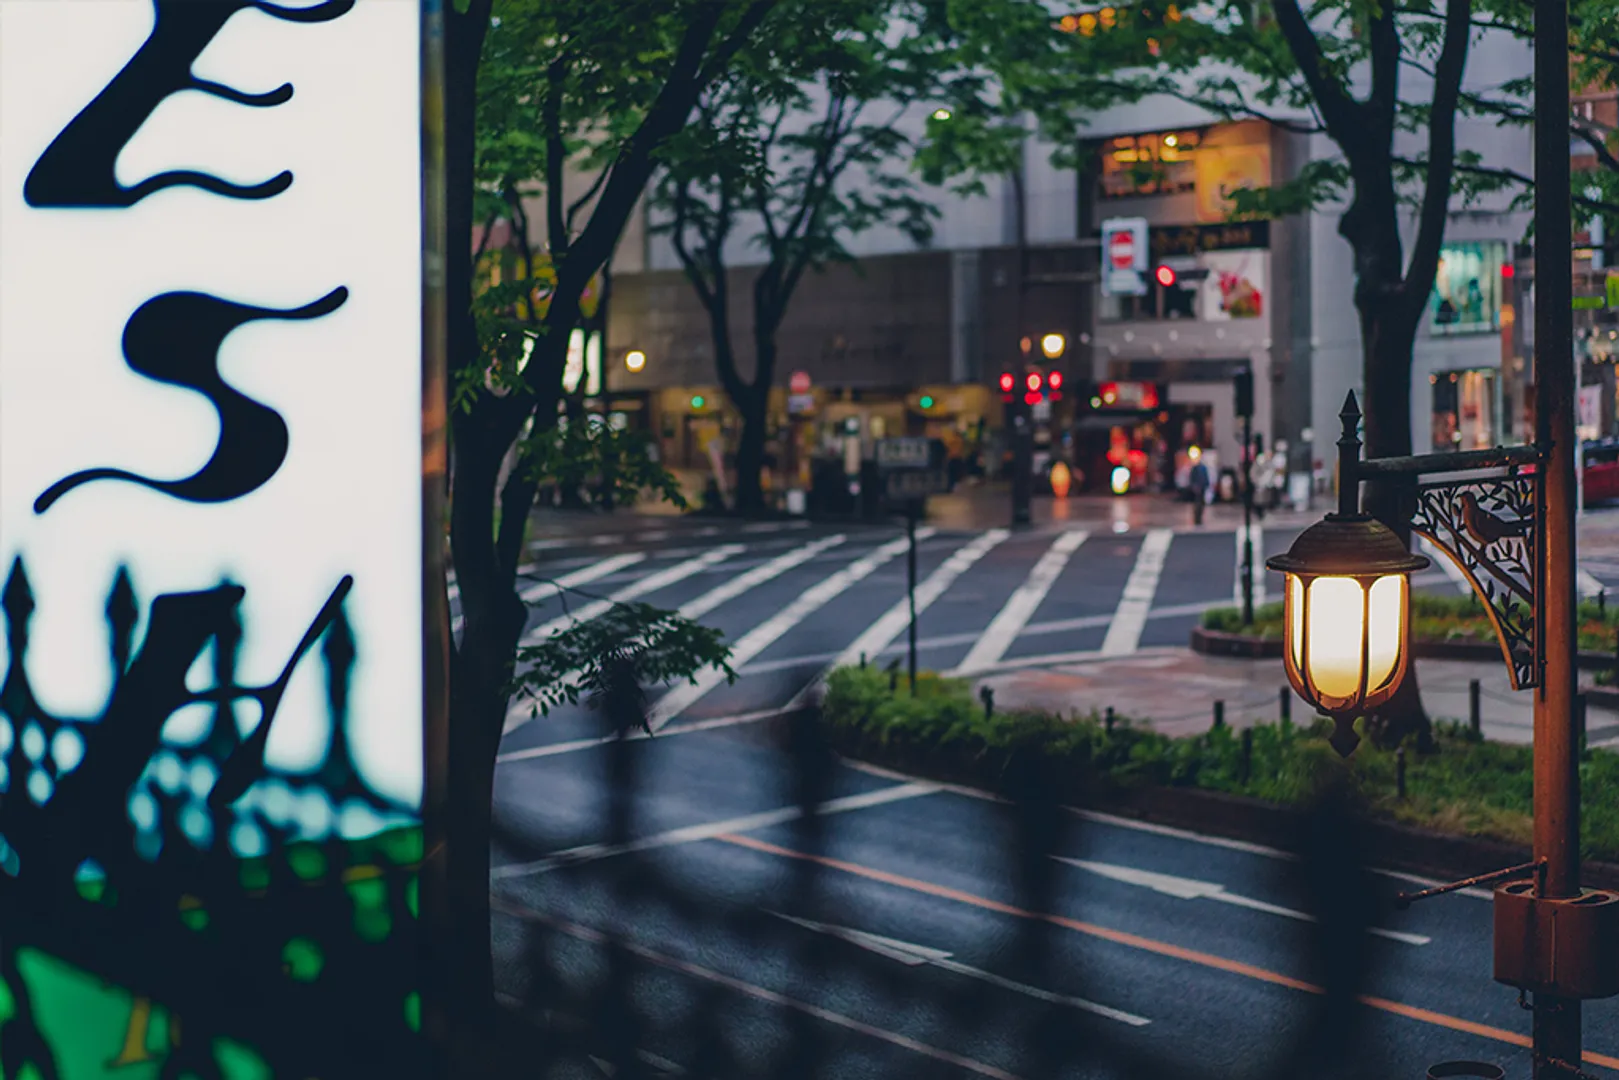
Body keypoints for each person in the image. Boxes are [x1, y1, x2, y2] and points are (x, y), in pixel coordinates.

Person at [1188, 455, 1211, 526]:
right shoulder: (1196, 468)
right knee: (1198, 503)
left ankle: (1199, 518)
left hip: (1201, 487)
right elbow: (1193, 478)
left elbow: (1205, 478)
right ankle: (1197, 518)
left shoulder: (1202, 468)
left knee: (1200, 503)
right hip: (1198, 488)